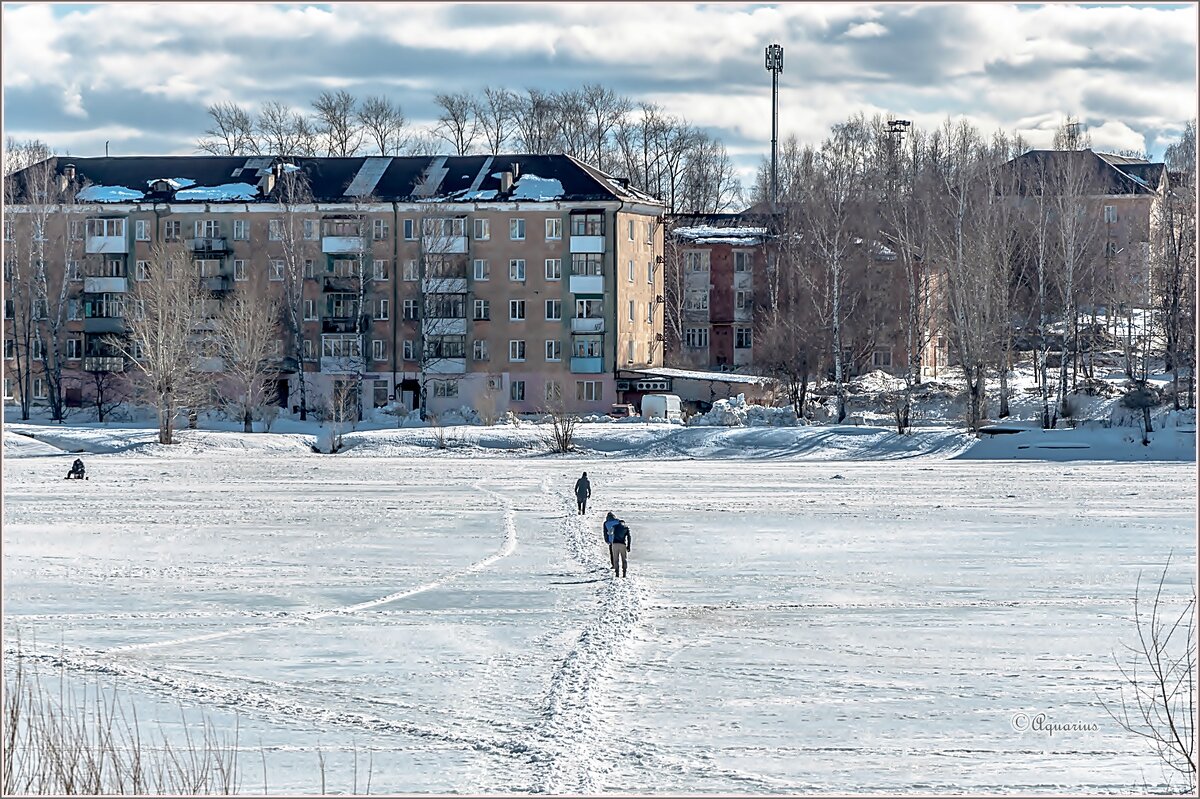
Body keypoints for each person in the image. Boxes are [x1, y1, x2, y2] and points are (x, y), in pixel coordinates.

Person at [602, 511, 632, 578]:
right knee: (624, 559)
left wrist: (607, 539)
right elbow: (629, 537)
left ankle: (616, 572)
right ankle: (624, 573)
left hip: (613, 542)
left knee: (615, 557)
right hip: (623, 543)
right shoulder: (622, 524)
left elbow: (608, 533)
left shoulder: (607, 523)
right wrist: (628, 546)